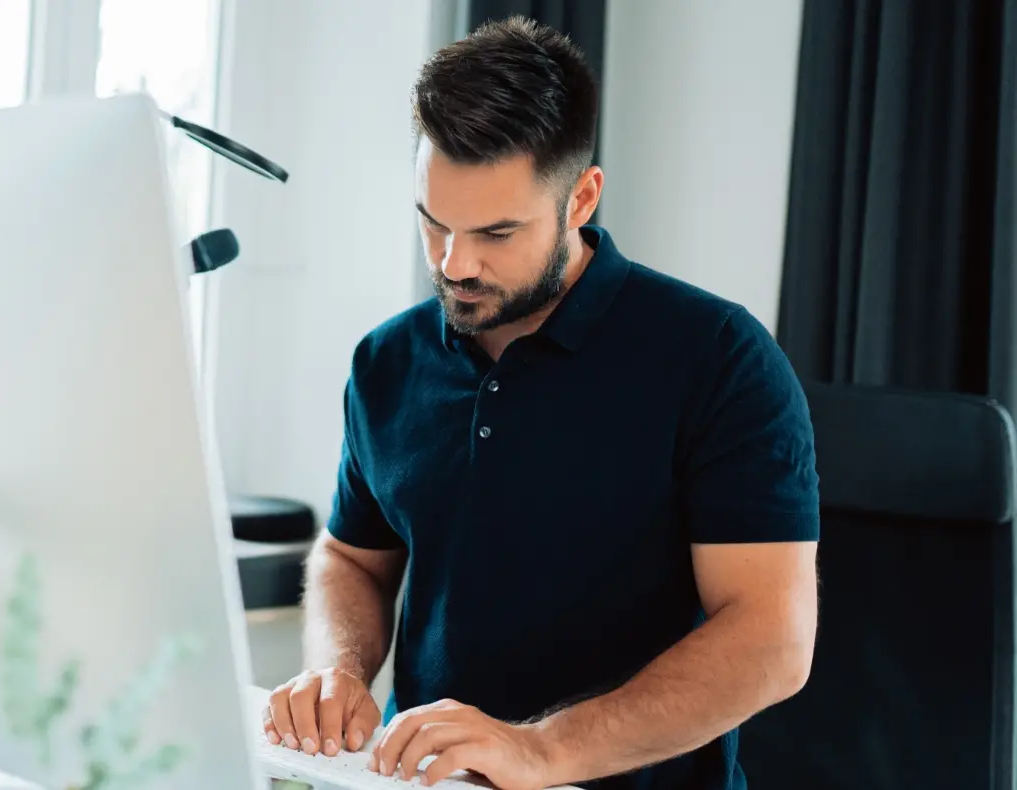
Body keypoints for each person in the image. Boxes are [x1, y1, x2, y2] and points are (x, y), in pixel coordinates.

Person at [260, 16, 819, 790]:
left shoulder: (718, 358)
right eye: (434, 223)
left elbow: (772, 641)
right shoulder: (387, 361)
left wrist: (543, 749)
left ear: (581, 198)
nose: (455, 264)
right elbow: (352, 556)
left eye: (496, 232)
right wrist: (339, 669)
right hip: (424, 781)